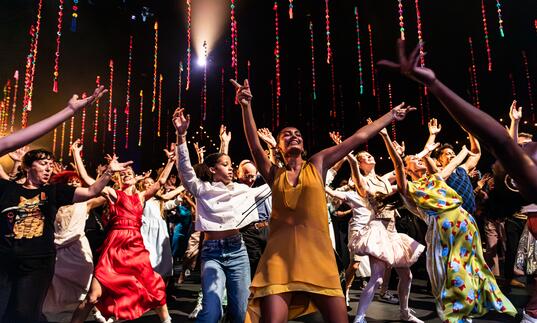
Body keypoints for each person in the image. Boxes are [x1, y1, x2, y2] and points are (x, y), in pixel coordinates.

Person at [231, 78, 415, 322]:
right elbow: (254, 147)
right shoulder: (274, 173)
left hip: (319, 259)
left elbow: (358, 137)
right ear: (278, 146)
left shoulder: (317, 164)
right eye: (287, 135)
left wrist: (390, 115)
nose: (294, 136)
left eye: (298, 134)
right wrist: (246, 106)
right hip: (278, 260)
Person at [382, 126, 516, 322]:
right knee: (447, 273)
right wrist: (386, 136)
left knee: (471, 268)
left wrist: (465, 138)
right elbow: (397, 163)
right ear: (407, 169)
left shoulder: (437, 177)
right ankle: (452, 313)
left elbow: (459, 159)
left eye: (420, 158)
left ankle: (466, 310)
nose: (418, 159)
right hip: (442, 231)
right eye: (413, 160)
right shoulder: (409, 187)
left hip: (464, 224)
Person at [0, 146, 125, 323]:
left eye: (50, 164)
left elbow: (91, 191)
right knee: (4, 309)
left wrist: (109, 172)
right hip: (6, 261)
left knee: (25, 312)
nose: (48, 168)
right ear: (28, 167)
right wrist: (15, 158)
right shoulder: (7, 189)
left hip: (38, 262)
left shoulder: (54, 191)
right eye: (43, 164)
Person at [173, 108, 266, 322]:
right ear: (212, 169)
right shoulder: (201, 189)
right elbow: (185, 169)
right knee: (211, 312)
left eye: (231, 165)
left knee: (241, 312)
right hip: (212, 253)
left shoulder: (241, 190)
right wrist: (181, 136)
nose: (231, 168)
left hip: (237, 250)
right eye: (225, 165)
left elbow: (271, 185)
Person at [327, 131, 424, 323]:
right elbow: (353, 166)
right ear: (361, 164)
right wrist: (347, 152)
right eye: (365, 157)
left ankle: (404, 312)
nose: (369, 157)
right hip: (378, 232)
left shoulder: (383, 179)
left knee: (407, 276)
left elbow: (402, 168)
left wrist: (409, 152)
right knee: (377, 278)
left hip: (393, 231)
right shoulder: (361, 181)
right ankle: (360, 316)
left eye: (369, 155)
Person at [70, 152, 173, 323]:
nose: (126, 175)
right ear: (119, 178)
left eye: (129, 174)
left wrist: (171, 161)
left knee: (153, 288)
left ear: (135, 178)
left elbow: (160, 182)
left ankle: (167, 320)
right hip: (114, 247)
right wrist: (76, 154)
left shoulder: (140, 197)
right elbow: (88, 180)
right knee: (93, 296)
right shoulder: (113, 193)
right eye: (123, 174)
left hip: (135, 248)